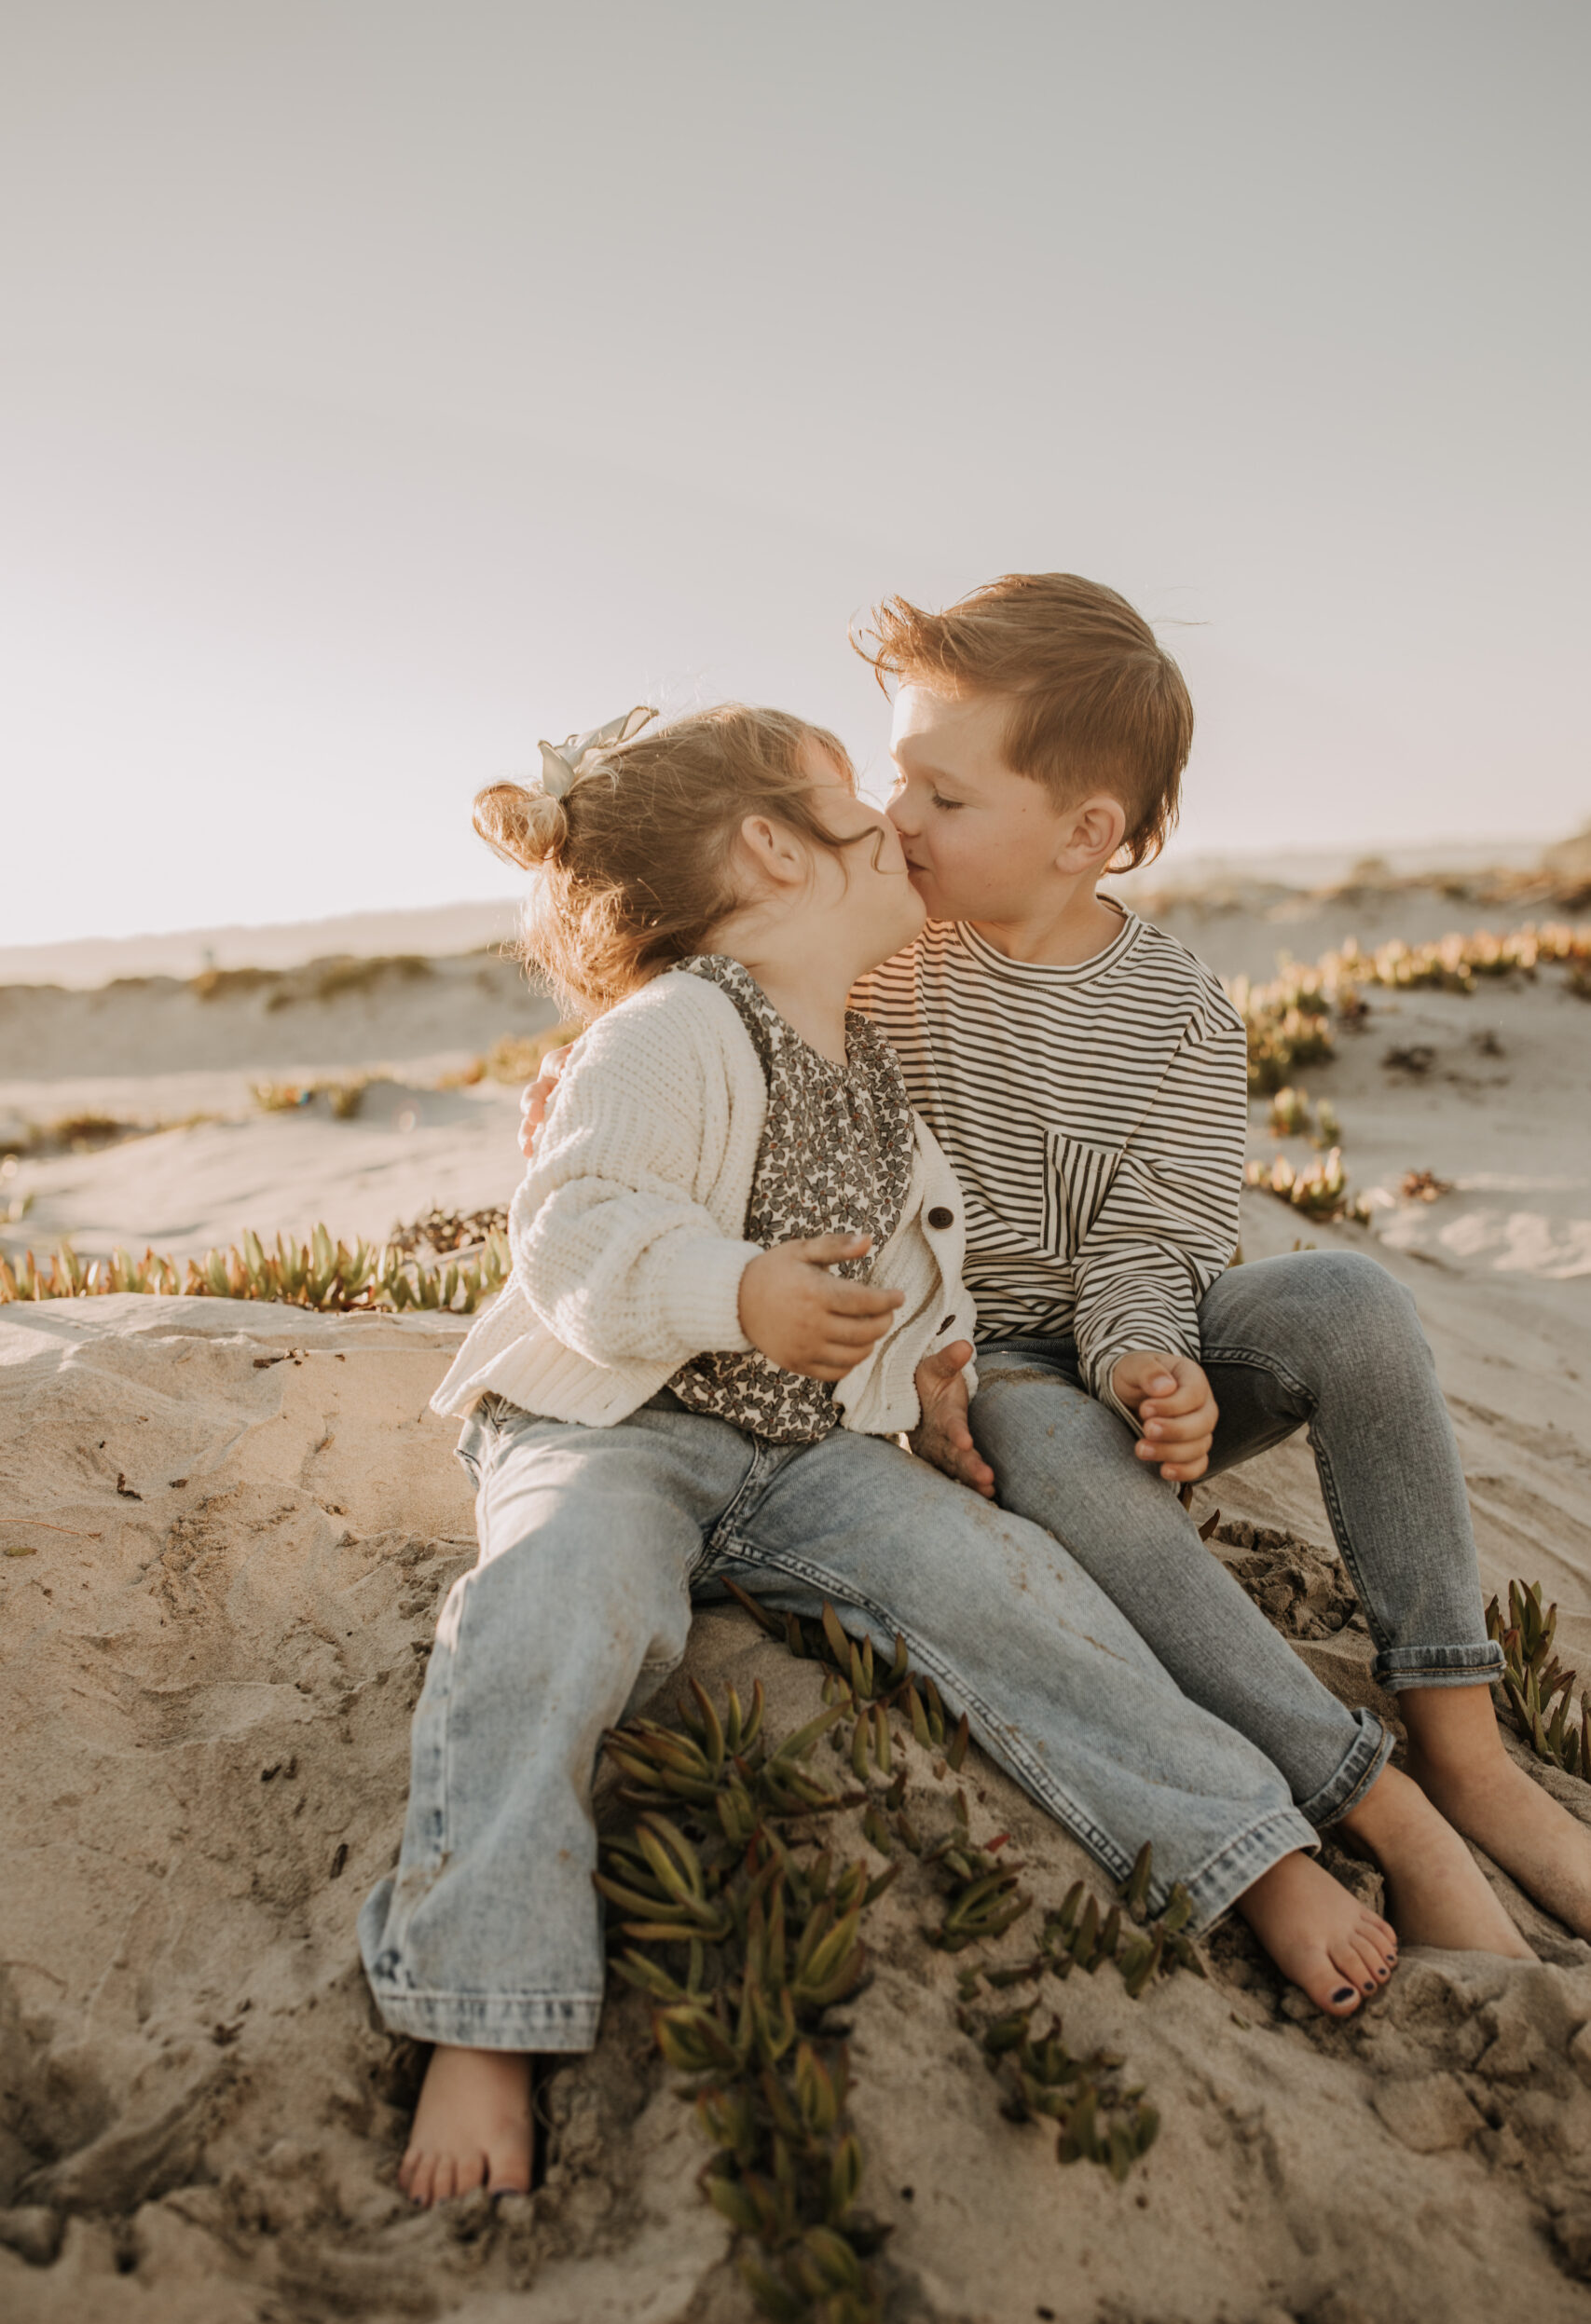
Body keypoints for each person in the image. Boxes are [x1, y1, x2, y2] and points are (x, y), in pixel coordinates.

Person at [363, 701, 1461, 2209]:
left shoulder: (876, 1065)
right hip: (611, 1427)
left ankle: (1247, 1851)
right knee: (548, 1608)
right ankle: (480, 2010)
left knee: (1024, 1598)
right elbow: (571, 1231)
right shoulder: (672, 1028)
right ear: (772, 849)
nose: (897, 822)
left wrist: (929, 1391)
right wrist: (732, 1290)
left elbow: (904, 1291)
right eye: (860, 805)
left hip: (811, 1458)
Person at [844, 570, 1588, 1950]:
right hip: (975, 1380)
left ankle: (1465, 1749)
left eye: (945, 798)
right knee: (1047, 1434)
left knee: (1350, 1299)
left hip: (1135, 1344)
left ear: (1087, 832)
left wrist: (1149, 1362)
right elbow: (740, 1041)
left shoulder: (1178, 1008)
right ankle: (1375, 1804)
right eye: (901, 780)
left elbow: (1160, 1233)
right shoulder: (879, 960)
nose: (900, 821)